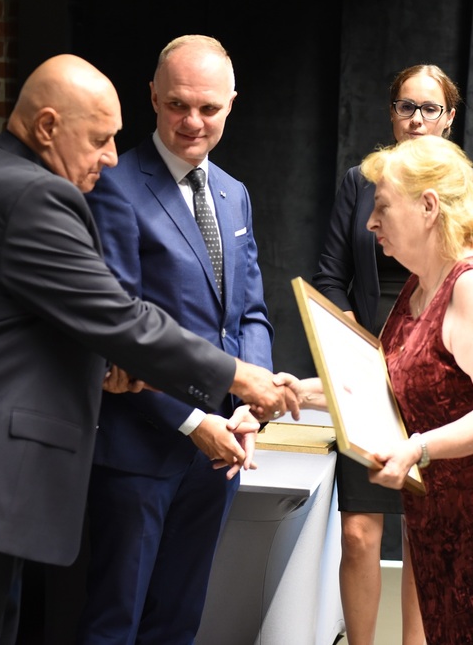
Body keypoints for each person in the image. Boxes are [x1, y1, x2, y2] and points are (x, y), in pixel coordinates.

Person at [0, 53, 291, 645]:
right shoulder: (30, 194)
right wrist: (242, 377)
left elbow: (37, 326)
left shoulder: (1, 177)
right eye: (101, 139)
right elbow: (116, 316)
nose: (110, 157)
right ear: (48, 127)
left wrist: (108, 366)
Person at [290, 134, 473, 643]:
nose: (371, 223)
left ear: (429, 206)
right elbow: (389, 381)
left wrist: (418, 446)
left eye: (383, 208)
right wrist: (301, 392)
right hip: (445, 509)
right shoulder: (422, 285)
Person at [76, 35, 282, 645]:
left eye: (208, 108)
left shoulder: (233, 192)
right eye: (177, 105)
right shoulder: (114, 186)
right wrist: (194, 420)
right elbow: (118, 328)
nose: (192, 122)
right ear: (153, 97)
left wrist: (253, 401)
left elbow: (249, 314)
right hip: (141, 447)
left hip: (221, 452)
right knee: (115, 622)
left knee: (180, 621)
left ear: (231, 104)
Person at [311, 63, 473, 645]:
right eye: (405, 107)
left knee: (426, 536)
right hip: (368, 373)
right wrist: (353, 342)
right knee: (359, 534)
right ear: (391, 113)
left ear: (450, 117)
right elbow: (330, 276)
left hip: (439, 375)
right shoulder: (358, 181)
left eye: (430, 108)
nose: (417, 119)